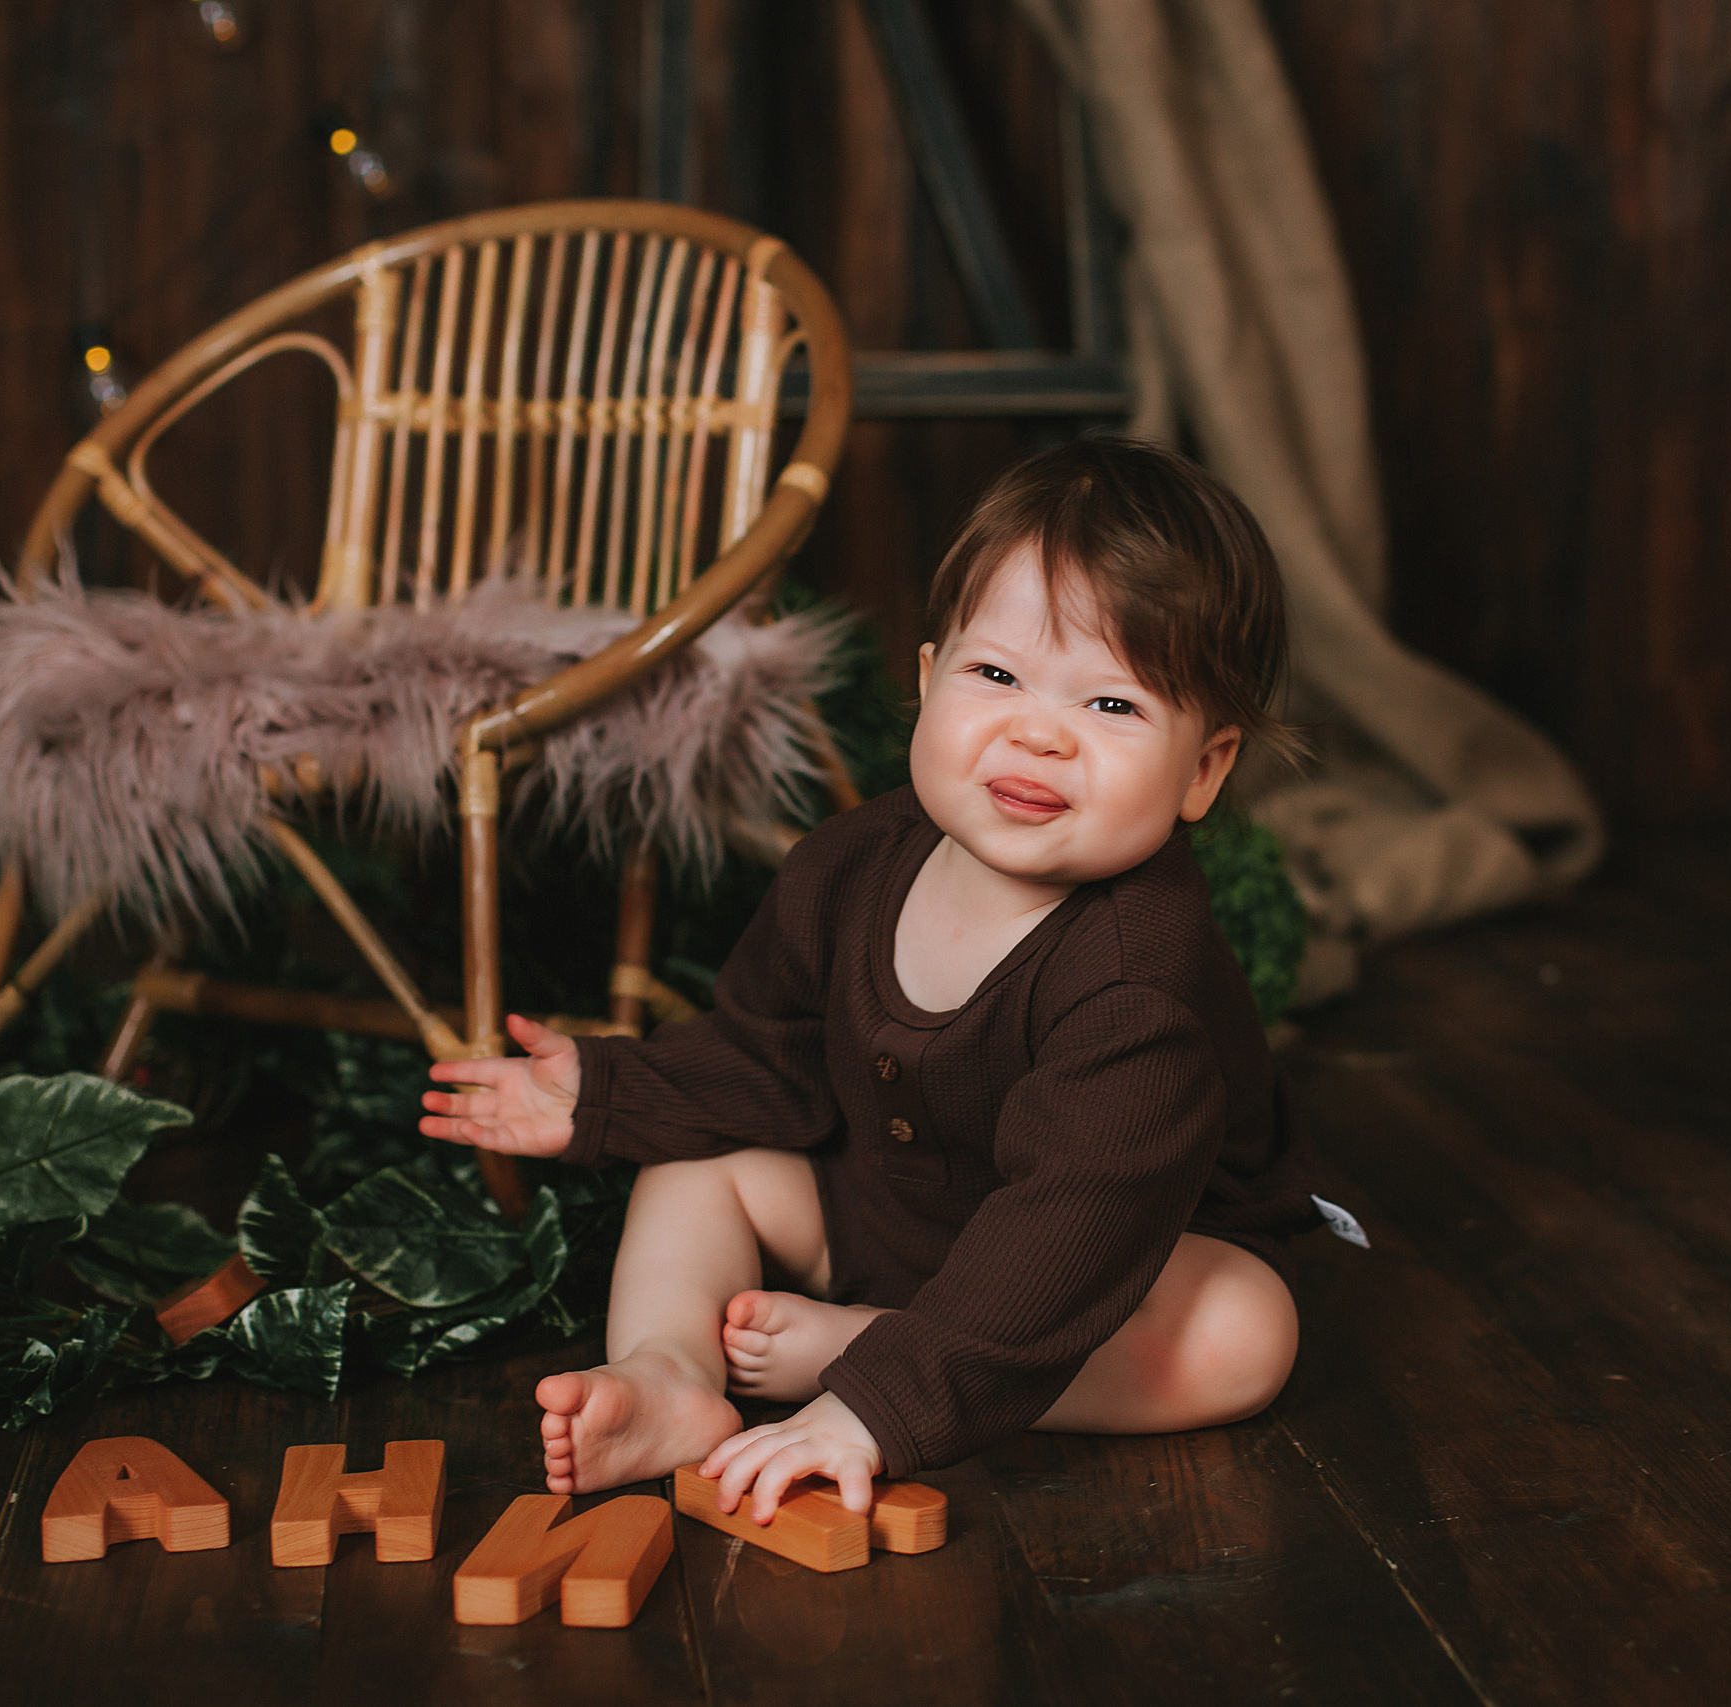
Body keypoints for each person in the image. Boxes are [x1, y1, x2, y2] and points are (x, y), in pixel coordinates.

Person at [421, 436, 1323, 1525]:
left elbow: (1067, 1224)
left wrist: (875, 1407)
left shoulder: (1138, 986)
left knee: (1241, 1334)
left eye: (1113, 707)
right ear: (930, 680)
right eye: (997, 676)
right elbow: (771, 1054)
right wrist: (611, 1096)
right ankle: (670, 1373)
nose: (1037, 734)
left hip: (1109, 1266)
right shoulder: (849, 866)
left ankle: (867, 1353)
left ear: (1204, 771)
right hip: (886, 1214)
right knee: (698, 1169)